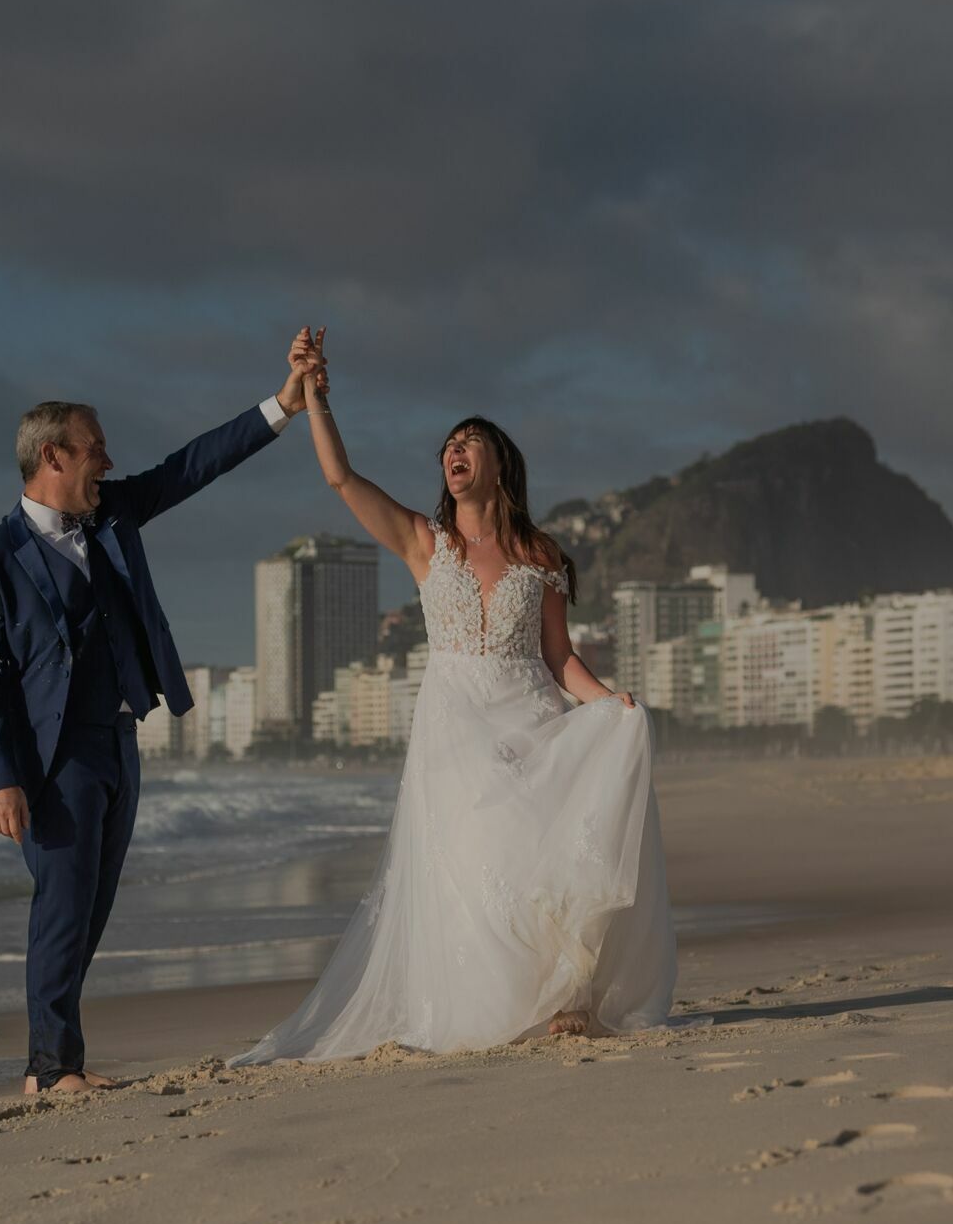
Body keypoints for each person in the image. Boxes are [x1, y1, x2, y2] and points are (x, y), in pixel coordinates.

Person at [232, 330, 676, 1066]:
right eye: (448, 445)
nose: (455, 451)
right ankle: (499, 1001)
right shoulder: (421, 541)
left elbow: (559, 656)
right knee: (479, 859)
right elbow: (341, 478)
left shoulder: (543, 555)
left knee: (545, 856)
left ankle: (565, 995)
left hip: (531, 714)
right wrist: (313, 396)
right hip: (456, 724)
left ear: (501, 463)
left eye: (471, 442)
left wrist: (608, 704)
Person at [0, 338, 322, 1094]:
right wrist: (0, 780)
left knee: (90, 908)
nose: (109, 462)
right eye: (95, 449)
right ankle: (52, 1068)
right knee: (62, 907)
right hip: (53, 757)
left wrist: (282, 406)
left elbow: (191, 466)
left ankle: (51, 1062)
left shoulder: (113, 516)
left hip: (120, 740)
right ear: (53, 456)